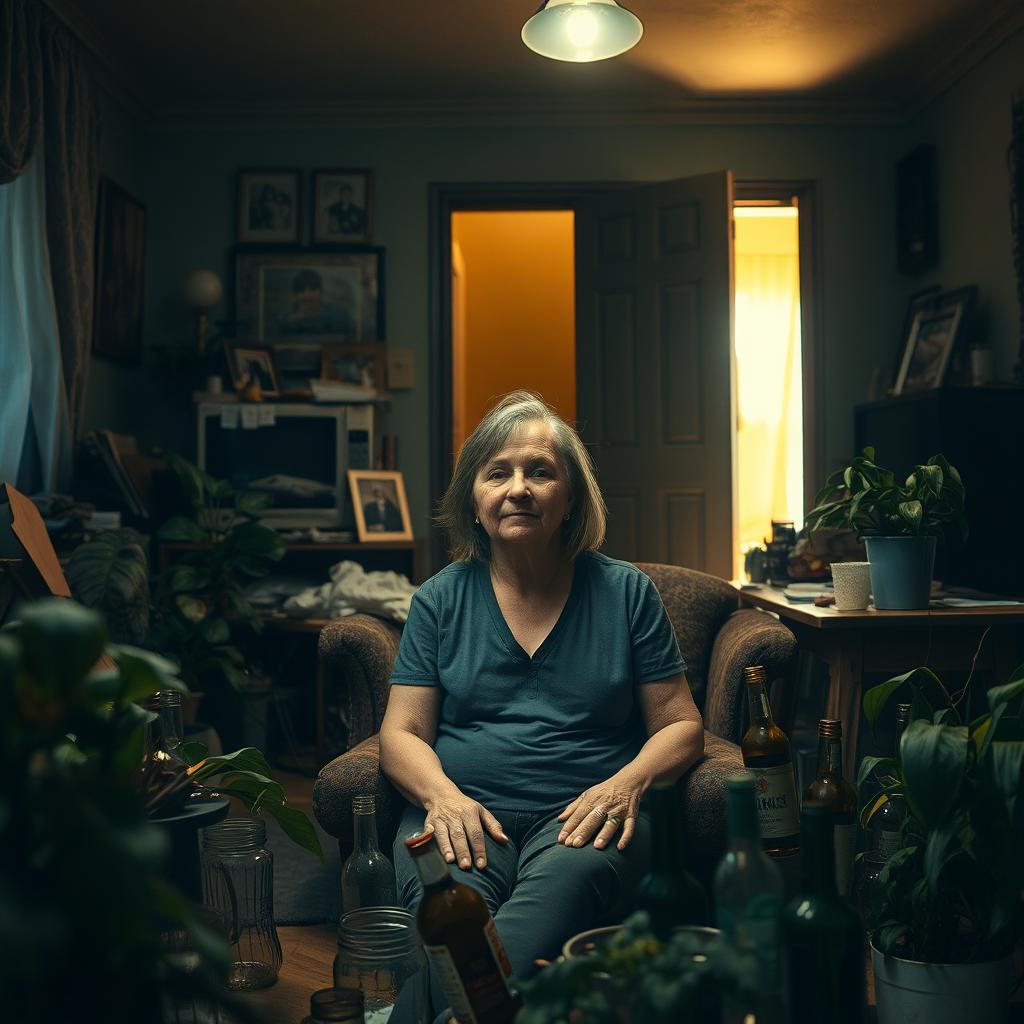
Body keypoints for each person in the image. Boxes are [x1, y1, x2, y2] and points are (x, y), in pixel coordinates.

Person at [380, 391, 704, 1016]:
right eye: (497, 472)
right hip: (464, 812)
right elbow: (402, 734)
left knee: (541, 906)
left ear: (572, 499)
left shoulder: (625, 592)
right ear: (472, 500)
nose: (518, 488)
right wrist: (443, 799)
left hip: (585, 818)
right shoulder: (439, 600)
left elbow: (682, 726)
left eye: (540, 471)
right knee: (448, 913)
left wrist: (626, 784)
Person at [273, 268, 355, 337]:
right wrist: (294, 320)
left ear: (320, 292)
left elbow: (352, 335)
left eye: (312, 289)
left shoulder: (338, 313)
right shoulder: (284, 316)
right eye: (301, 290)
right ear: (295, 295)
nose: (307, 294)